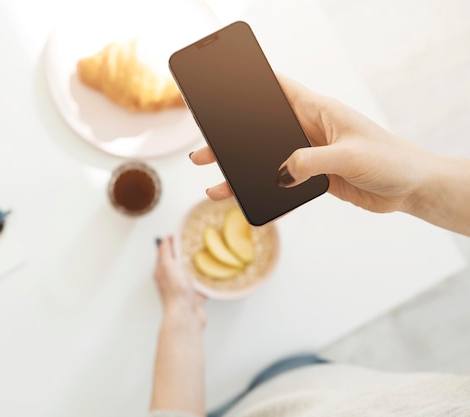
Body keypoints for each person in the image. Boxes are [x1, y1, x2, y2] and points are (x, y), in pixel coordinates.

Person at [149, 76, 470, 417]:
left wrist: (180, 314)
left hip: (261, 397)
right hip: (322, 382)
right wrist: (416, 184)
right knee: (296, 373)